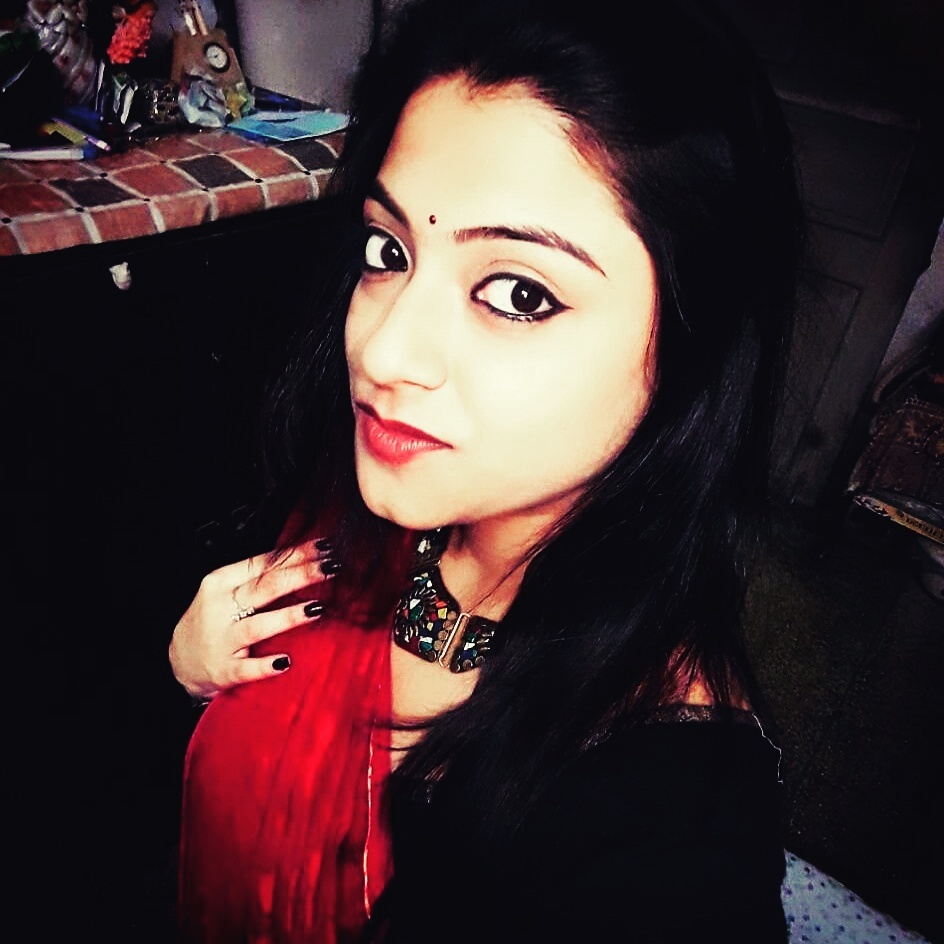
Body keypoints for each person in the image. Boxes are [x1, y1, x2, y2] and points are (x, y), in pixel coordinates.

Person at [169, 0, 803, 940]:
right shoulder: (389, 491)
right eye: (388, 252)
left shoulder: (667, 844)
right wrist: (188, 667)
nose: (383, 351)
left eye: (518, 293)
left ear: (693, 346)